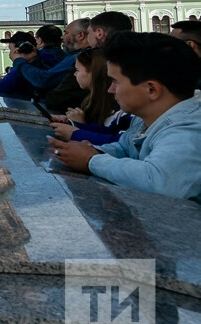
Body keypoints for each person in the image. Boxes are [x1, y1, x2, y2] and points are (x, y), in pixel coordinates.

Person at [49, 31, 201, 201]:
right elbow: (125, 147)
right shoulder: (145, 118)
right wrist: (91, 150)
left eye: (116, 82)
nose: (110, 90)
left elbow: (160, 181)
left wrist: (92, 160)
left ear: (151, 90)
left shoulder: (189, 129)